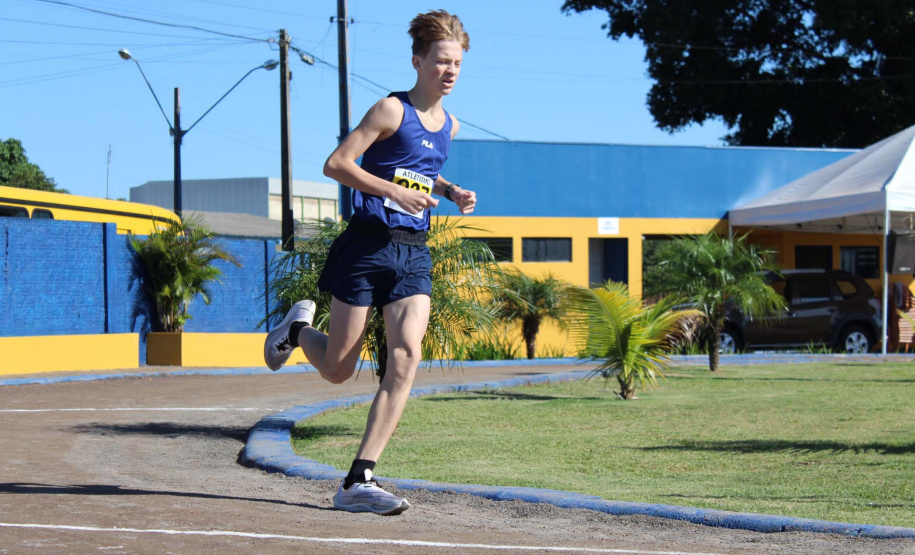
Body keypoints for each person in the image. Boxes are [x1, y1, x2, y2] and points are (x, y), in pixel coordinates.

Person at [264, 9, 476, 516]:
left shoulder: (450, 124)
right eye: (441, 61)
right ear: (418, 61)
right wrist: (390, 191)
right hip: (366, 246)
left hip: (413, 253)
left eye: (457, 64)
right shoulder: (389, 110)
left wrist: (449, 190)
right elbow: (336, 164)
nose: (450, 71)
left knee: (406, 357)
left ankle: (359, 479)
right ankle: (296, 332)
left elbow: (421, 171)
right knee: (338, 369)